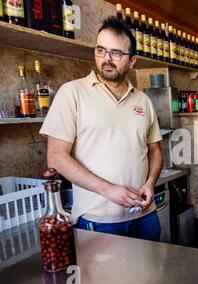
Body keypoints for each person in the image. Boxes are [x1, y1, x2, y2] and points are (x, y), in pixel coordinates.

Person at [39, 16, 163, 241]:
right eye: (101, 50)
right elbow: (56, 158)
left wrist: (150, 183)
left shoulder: (143, 100)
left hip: (145, 216)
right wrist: (108, 190)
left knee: (153, 276)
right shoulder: (72, 93)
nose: (107, 59)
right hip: (98, 222)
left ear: (132, 60)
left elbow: (155, 150)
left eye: (116, 53)